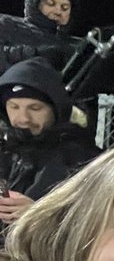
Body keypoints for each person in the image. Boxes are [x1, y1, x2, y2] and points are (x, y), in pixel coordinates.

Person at [0, 56, 100, 227]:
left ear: (56, 109)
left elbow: (96, 221)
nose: (23, 118)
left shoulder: (84, 159)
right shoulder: (5, 151)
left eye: (35, 108)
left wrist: (38, 215)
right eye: (14, 107)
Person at [0, 0, 81, 74]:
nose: (58, 11)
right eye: (50, 4)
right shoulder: (7, 24)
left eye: (65, 8)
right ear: (34, 3)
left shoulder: (76, 46)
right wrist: (33, 53)